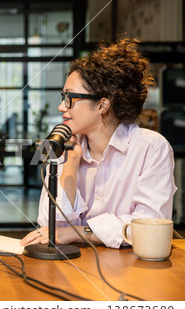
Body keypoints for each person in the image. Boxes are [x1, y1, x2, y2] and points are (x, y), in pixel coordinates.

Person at [20, 39, 177, 249]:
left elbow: (149, 227)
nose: (60, 107)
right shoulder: (64, 147)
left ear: (102, 104)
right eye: (62, 97)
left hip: (132, 273)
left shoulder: (151, 148)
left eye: (69, 98)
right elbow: (51, 227)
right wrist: (71, 166)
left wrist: (77, 232)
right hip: (74, 270)